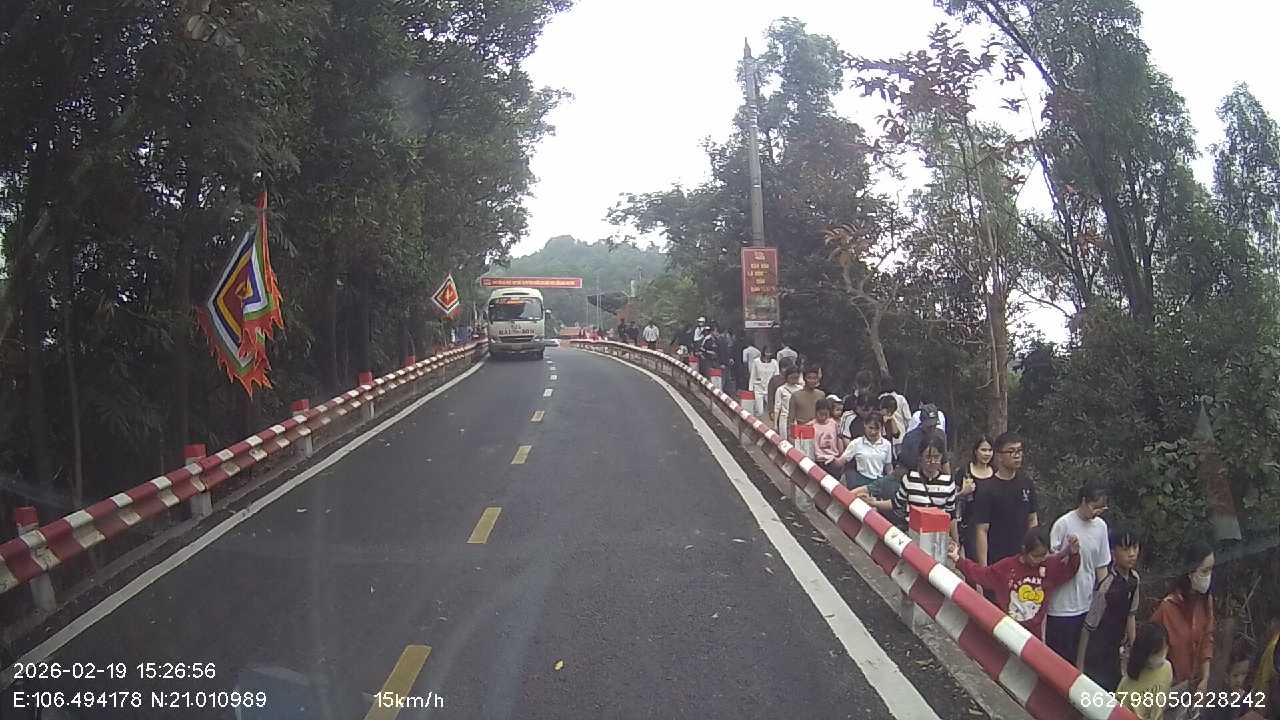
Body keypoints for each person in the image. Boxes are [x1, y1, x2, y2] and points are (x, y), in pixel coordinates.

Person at [949, 526, 1081, 640]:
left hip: (1032, 638)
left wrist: (1074, 554)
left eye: (1043, 555)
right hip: (1006, 632)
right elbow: (981, 574)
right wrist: (958, 560)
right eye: (1035, 556)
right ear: (1024, 550)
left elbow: (1069, 571)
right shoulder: (1007, 567)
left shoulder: (1048, 568)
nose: (1039, 560)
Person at [1046, 482, 1113, 667]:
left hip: (1086, 604)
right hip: (1060, 606)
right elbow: (1051, 562)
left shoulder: (1101, 527)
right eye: (1094, 507)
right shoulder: (1064, 524)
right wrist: (1069, 550)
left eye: (1102, 509)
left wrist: (1103, 599)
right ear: (1083, 501)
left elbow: (1101, 566)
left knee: (1079, 658)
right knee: (1057, 660)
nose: (1097, 512)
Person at [1080, 526, 1142, 691]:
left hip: (1116, 649)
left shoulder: (1134, 580)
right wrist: (1079, 667)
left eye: (1135, 548)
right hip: (1097, 649)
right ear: (1113, 552)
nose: (1132, 554)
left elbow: (1131, 615)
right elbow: (1088, 627)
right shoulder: (1107, 584)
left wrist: (1134, 650)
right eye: (1126, 549)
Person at [1150, 540, 1216, 695]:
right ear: (1190, 572)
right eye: (1205, 571)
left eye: (1211, 570)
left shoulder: (1205, 601)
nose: (1209, 576)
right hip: (1170, 688)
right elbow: (1150, 650)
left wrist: (1205, 677)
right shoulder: (1167, 608)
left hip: (1195, 686)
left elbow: (1207, 638)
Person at [970, 431, 1039, 567]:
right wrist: (984, 569)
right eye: (1011, 451)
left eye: (1019, 451)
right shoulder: (987, 489)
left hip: (1023, 559)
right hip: (997, 561)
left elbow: (1032, 520)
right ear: (999, 456)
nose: (1017, 455)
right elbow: (982, 530)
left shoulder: (1026, 484)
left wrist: (1034, 551)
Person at [894, 435, 959, 539]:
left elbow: (951, 515)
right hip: (913, 534)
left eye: (936, 457)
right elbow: (897, 504)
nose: (932, 462)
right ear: (920, 457)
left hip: (937, 535)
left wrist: (956, 541)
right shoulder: (909, 478)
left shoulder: (948, 482)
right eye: (928, 457)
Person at [1117, 623, 1175, 720]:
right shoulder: (1126, 684)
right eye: (1157, 653)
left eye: (1165, 649)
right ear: (1144, 654)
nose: (1163, 654)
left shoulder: (1167, 668)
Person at [830, 411, 893, 489]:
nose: (873, 432)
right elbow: (841, 461)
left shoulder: (887, 444)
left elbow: (888, 466)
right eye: (870, 428)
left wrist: (891, 481)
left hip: (878, 483)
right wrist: (832, 460)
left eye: (877, 429)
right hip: (859, 481)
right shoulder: (856, 443)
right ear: (865, 425)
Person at [957, 435, 995, 561]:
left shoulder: (996, 472)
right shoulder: (965, 472)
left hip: (994, 525)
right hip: (970, 525)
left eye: (990, 450)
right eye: (983, 450)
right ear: (975, 451)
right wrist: (963, 493)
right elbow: (951, 498)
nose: (987, 454)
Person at [897, 403, 948, 476]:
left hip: (934, 475)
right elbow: (903, 465)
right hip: (913, 475)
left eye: (934, 425)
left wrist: (948, 478)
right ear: (922, 422)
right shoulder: (910, 438)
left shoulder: (941, 435)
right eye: (929, 426)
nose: (932, 428)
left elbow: (944, 461)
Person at [879, 373, 912, 455]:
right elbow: (908, 419)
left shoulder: (879, 399)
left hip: (884, 437)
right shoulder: (901, 399)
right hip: (900, 437)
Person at [786, 365, 825, 431]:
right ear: (804, 378)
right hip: (802, 430)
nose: (812, 381)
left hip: (819, 430)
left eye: (815, 378)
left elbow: (825, 415)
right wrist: (790, 433)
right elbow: (790, 419)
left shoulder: (821, 395)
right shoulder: (796, 396)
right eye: (809, 378)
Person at [772, 365, 803, 437]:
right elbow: (777, 408)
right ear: (787, 377)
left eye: (796, 377)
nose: (794, 379)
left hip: (797, 419)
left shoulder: (801, 389)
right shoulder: (781, 390)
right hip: (784, 418)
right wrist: (775, 425)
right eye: (792, 377)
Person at [812, 398, 843, 470]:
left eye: (826, 414)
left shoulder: (834, 423)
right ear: (816, 412)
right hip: (819, 460)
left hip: (833, 458)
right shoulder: (812, 426)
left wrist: (840, 456)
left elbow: (839, 439)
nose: (823, 417)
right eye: (821, 414)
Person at [749, 348, 779, 418]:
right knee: (760, 411)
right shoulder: (756, 361)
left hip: (770, 389)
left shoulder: (774, 362)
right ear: (763, 352)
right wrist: (750, 388)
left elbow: (776, 376)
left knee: (773, 410)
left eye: (770, 352)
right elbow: (753, 375)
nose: (768, 354)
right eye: (767, 352)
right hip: (758, 388)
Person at [766, 358, 795, 422]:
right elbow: (770, 396)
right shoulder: (774, 380)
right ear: (780, 368)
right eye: (784, 368)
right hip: (779, 411)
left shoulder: (795, 380)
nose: (786, 370)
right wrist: (771, 411)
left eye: (788, 368)